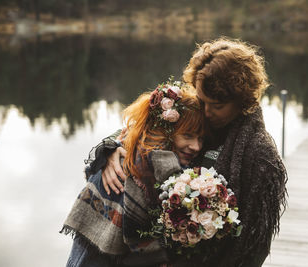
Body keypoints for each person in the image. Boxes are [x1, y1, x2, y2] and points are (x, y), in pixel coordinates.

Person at [90, 37, 287, 266]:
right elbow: (144, 129)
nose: (206, 112)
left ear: (242, 100)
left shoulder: (260, 154)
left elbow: (254, 246)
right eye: (202, 101)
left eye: (217, 106)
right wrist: (112, 149)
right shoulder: (201, 113)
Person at [61, 80, 205, 267]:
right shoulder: (133, 163)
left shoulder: (147, 154)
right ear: (166, 131)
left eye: (201, 139)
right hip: (94, 255)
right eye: (187, 135)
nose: (196, 146)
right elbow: (135, 232)